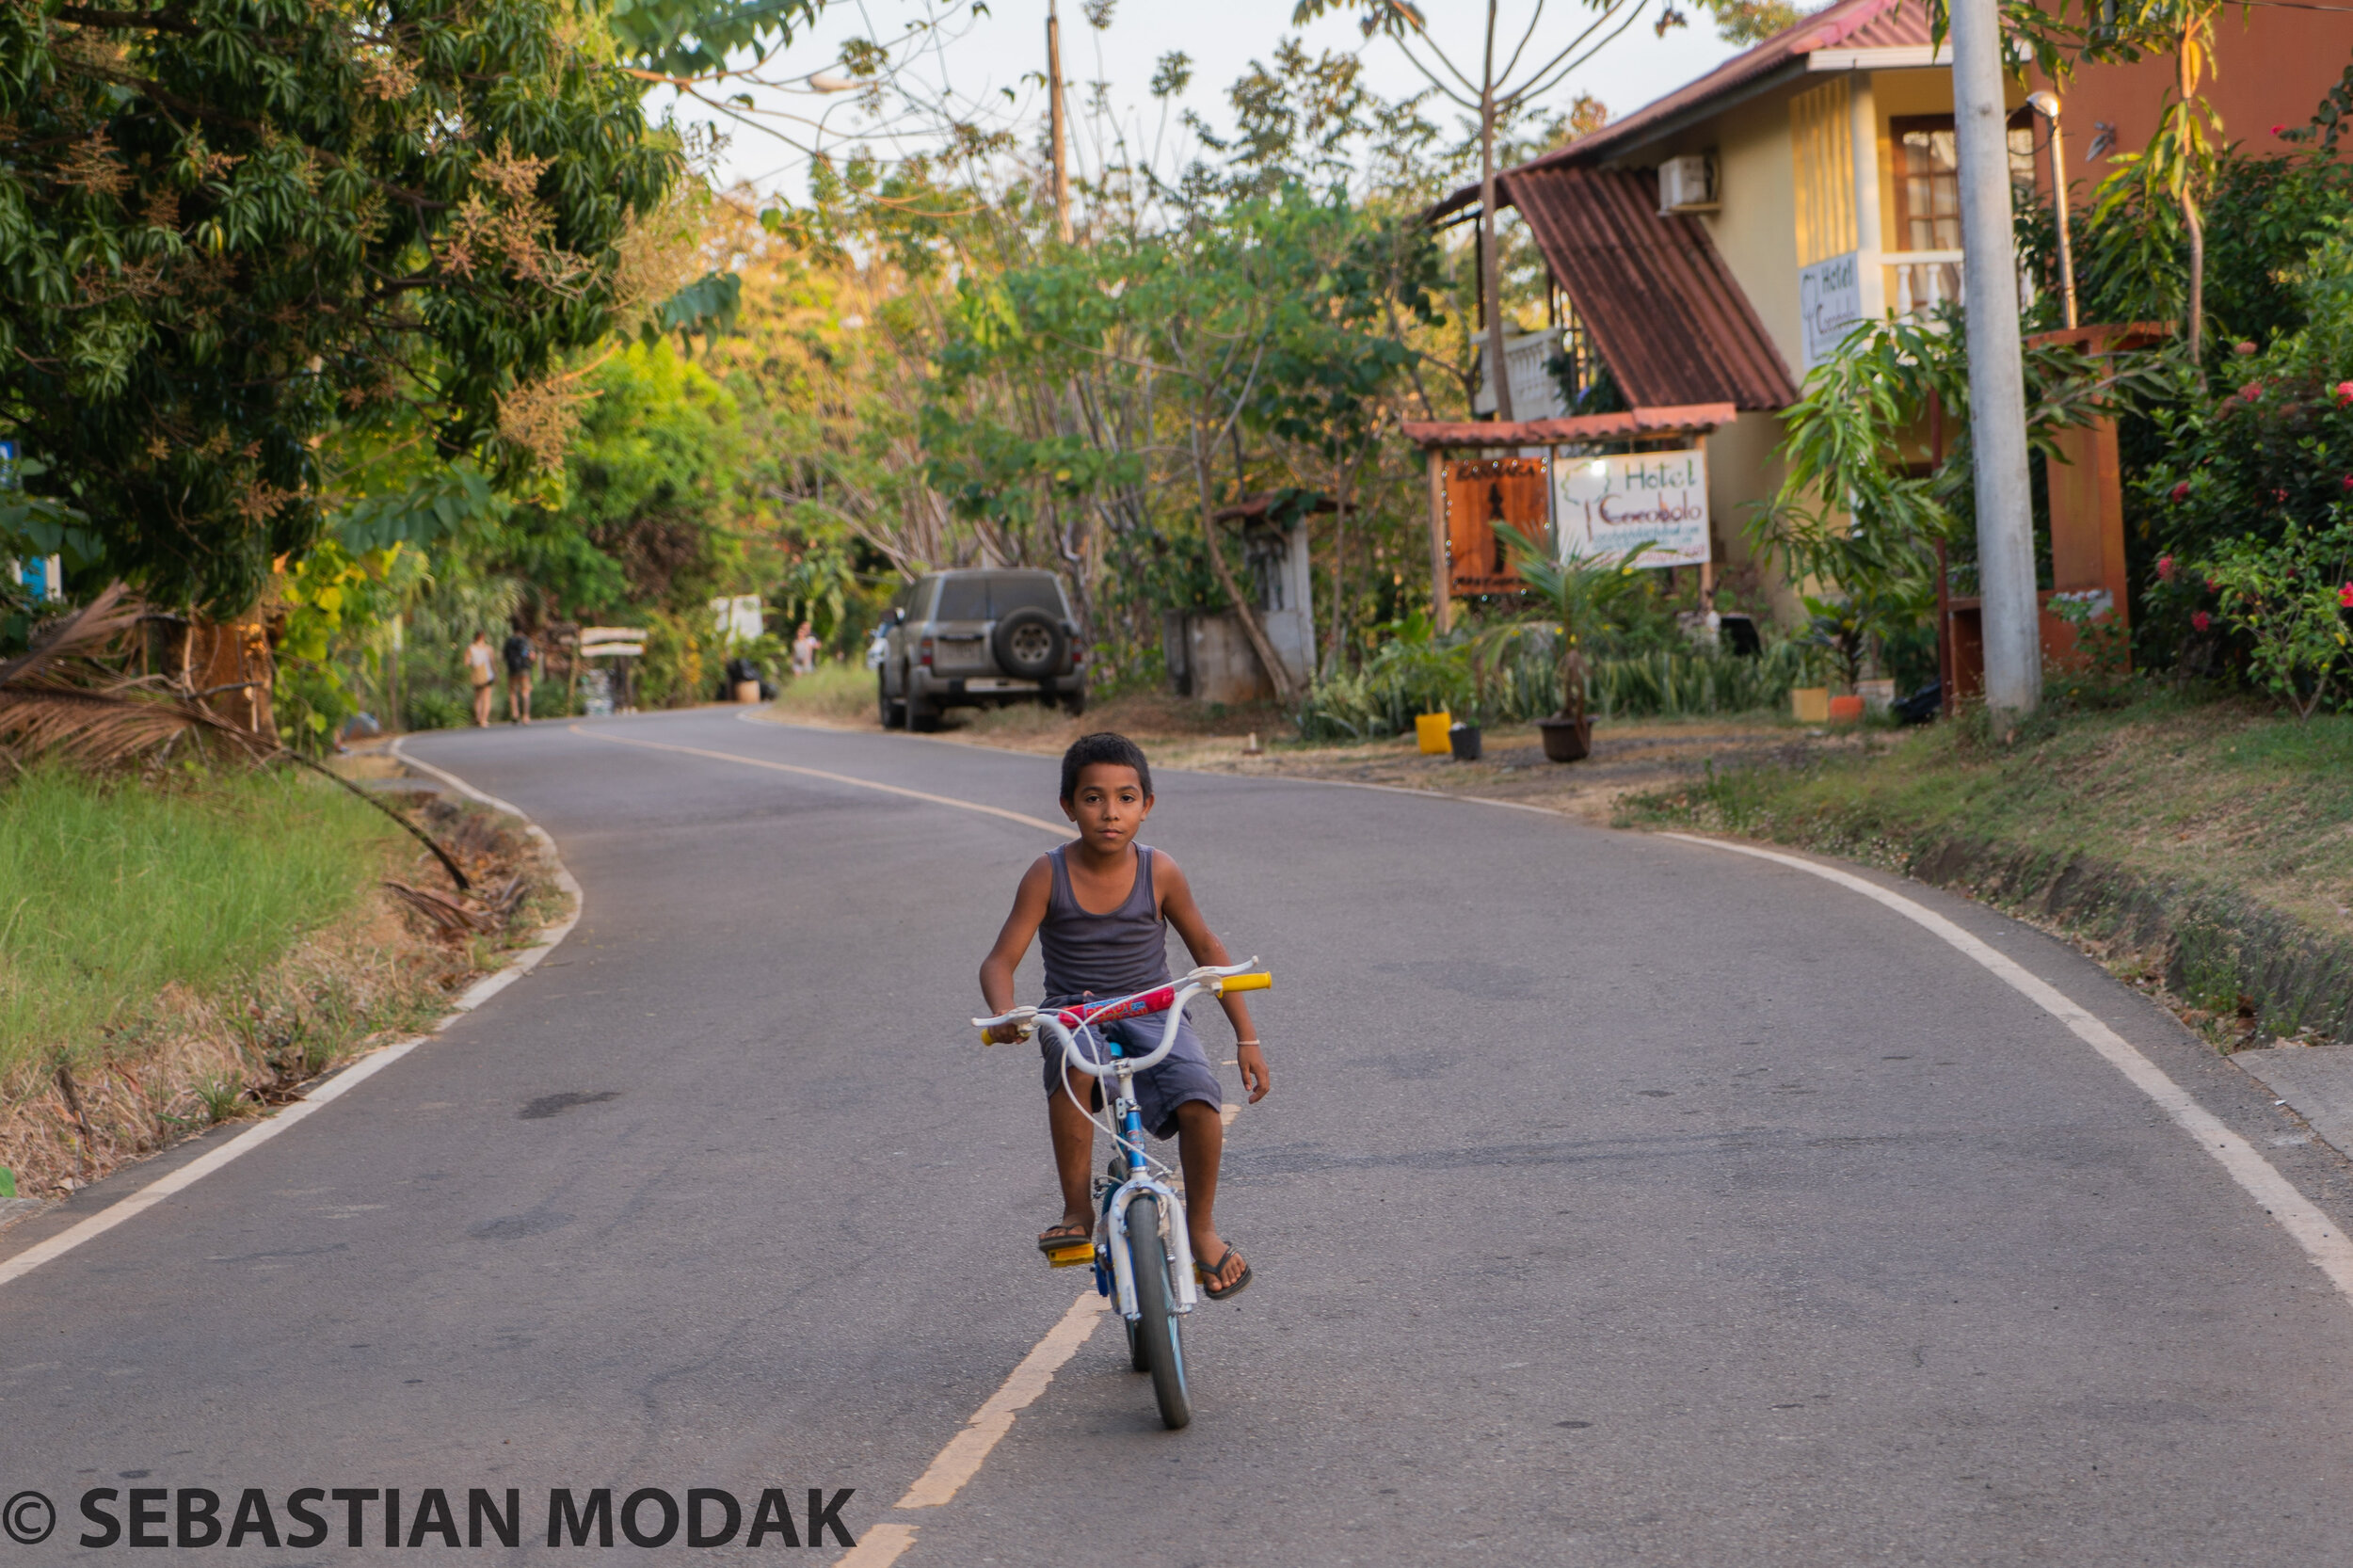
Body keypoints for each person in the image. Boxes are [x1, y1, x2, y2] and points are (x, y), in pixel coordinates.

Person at [977, 732, 1271, 1300]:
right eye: (1093, 798)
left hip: (1153, 1006)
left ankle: (1202, 1229)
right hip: (1076, 1012)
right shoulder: (1047, 874)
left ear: (1147, 805)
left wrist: (1247, 1037)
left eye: (1126, 798)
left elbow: (1207, 952)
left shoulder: (1160, 872)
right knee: (1075, 1065)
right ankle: (1076, 1211)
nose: (1110, 812)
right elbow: (999, 960)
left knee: (1199, 1095)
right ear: (1067, 805)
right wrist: (1004, 1011)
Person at [503, 627, 537, 724]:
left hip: (512, 670)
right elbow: (532, 656)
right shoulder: (527, 641)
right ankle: (526, 716)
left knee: (512, 692)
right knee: (525, 692)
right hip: (525, 670)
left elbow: (504, 656)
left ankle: (515, 713)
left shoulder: (509, 641)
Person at [465, 632, 496, 728]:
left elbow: (466, 662)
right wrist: (496, 674)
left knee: (477, 698)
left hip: (476, 675)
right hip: (487, 675)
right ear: (483, 637)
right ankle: (484, 720)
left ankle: (478, 718)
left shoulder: (470, 648)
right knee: (487, 698)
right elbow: (492, 663)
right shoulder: (488, 649)